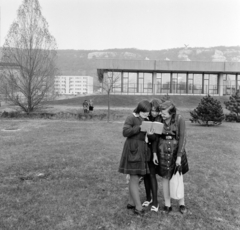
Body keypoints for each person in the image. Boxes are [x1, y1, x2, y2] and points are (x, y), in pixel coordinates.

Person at [152, 100, 189, 214]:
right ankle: (167, 204)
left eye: (164, 113)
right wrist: (154, 153)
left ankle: (181, 203)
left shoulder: (179, 119)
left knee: (178, 177)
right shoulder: (158, 120)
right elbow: (155, 138)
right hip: (162, 151)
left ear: (172, 113)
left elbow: (183, 138)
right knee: (165, 178)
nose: (162, 115)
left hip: (176, 151)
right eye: (161, 113)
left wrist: (179, 156)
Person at [118, 99, 152, 216]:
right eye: (144, 111)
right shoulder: (131, 117)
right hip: (132, 149)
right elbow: (125, 132)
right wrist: (139, 127)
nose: (146, 114)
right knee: (134, 176)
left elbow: (147, 136)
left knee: (136, 176)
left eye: (148, 112)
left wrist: (151, 131)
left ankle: (131, 202)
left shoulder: (147, 119)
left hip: (142, 149)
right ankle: (138, 207)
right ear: (139, 109)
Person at [142, 98, 162, 212]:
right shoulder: (147, 117)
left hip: (154, 150)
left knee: (152, 175)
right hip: (144, 149)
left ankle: (155, 201)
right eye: (152, 110)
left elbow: (156, 138)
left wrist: (150, 135)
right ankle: (148, 198)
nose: (154, 112)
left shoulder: (160, 120)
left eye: (156, 110)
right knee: (145, 175)